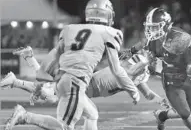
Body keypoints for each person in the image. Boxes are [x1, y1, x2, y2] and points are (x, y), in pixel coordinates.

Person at [4, 0, 140, 130]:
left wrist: (39, 81)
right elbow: (116, 69)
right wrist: (133, 90)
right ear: (107, 14)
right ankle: (25, 116)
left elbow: (49, 63)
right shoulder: (110, 32)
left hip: (64, 78)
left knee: (92, 114)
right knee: (65, 128)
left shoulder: (69, 29)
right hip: (75, 82)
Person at [129, 8, 191, 130]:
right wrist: (140, 57)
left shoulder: (180, 37)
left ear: (166, 25)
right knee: (186, 115)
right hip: (170, 81)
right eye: (150, 27)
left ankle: (162, 115)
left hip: (187, 76)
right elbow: (145, 47)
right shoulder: (153, 40)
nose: (151, 31)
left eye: (155, 27)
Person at [1, 46, 168, 107]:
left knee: (50, 89)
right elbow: (129, 71)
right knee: (50, 94)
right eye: (159, 62)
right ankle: (16, 78)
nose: (160, 68)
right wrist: (147, 59)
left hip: (90, 86)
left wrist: (161, 101)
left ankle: (26, 61)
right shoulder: (138, 64)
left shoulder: (141, 75)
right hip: (89, 83)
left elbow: (147, 93)